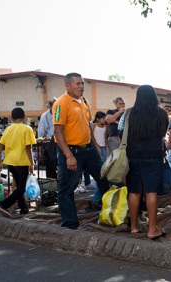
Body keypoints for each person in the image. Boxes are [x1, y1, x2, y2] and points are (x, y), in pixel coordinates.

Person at [52, 73, 110, 229]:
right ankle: (70, 224)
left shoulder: (85, 101)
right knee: (66, 189)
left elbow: (87, 126)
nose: (81, 87)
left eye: (82, 83)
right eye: (77, 84)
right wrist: (69, 156)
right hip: (70, 151)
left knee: (105, 177)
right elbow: (58, 132)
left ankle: (107, 211)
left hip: (88, 150)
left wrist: (96, 146)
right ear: (67, 86)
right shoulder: (60, 103)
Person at [121, 85, 168, 239]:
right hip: (154, 156)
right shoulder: (161, 113)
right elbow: (163, 133)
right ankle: (152, 229)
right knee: (151, 191)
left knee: (134, 191)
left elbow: (121, 131)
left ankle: (134, 227)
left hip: (133, 156)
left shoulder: (129, 113)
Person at [0, 107, 36, 218]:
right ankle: (3, 204)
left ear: (11, 118)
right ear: (24, 117)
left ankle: (23, 208)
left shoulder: (8, 129)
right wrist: (32, 163)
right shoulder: (27, 129)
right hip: (22, 162)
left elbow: (0, 147)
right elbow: (28, 148)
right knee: (21, 187)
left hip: (10, 162)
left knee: (19, 186)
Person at [85, 111, 108, 212]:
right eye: (102, 118)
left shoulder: (105, 127)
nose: (104, 119)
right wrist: (96, 147)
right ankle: (96, 200)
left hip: (104, 148)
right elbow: (91, 136)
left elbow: (105, 137)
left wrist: (107, 147)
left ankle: (98, 200)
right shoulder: (93, 126)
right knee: (101, 172)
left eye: (104, 118)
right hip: (96, 148)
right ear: (97, 119)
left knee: (104, 171)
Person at [37, 99, 58, 179]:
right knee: (50, 164)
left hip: (61, 140)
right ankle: (52, 183)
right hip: (49, 142)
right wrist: (41, 149)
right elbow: (41, 133)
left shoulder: (62, 114)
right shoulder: (45, 116)